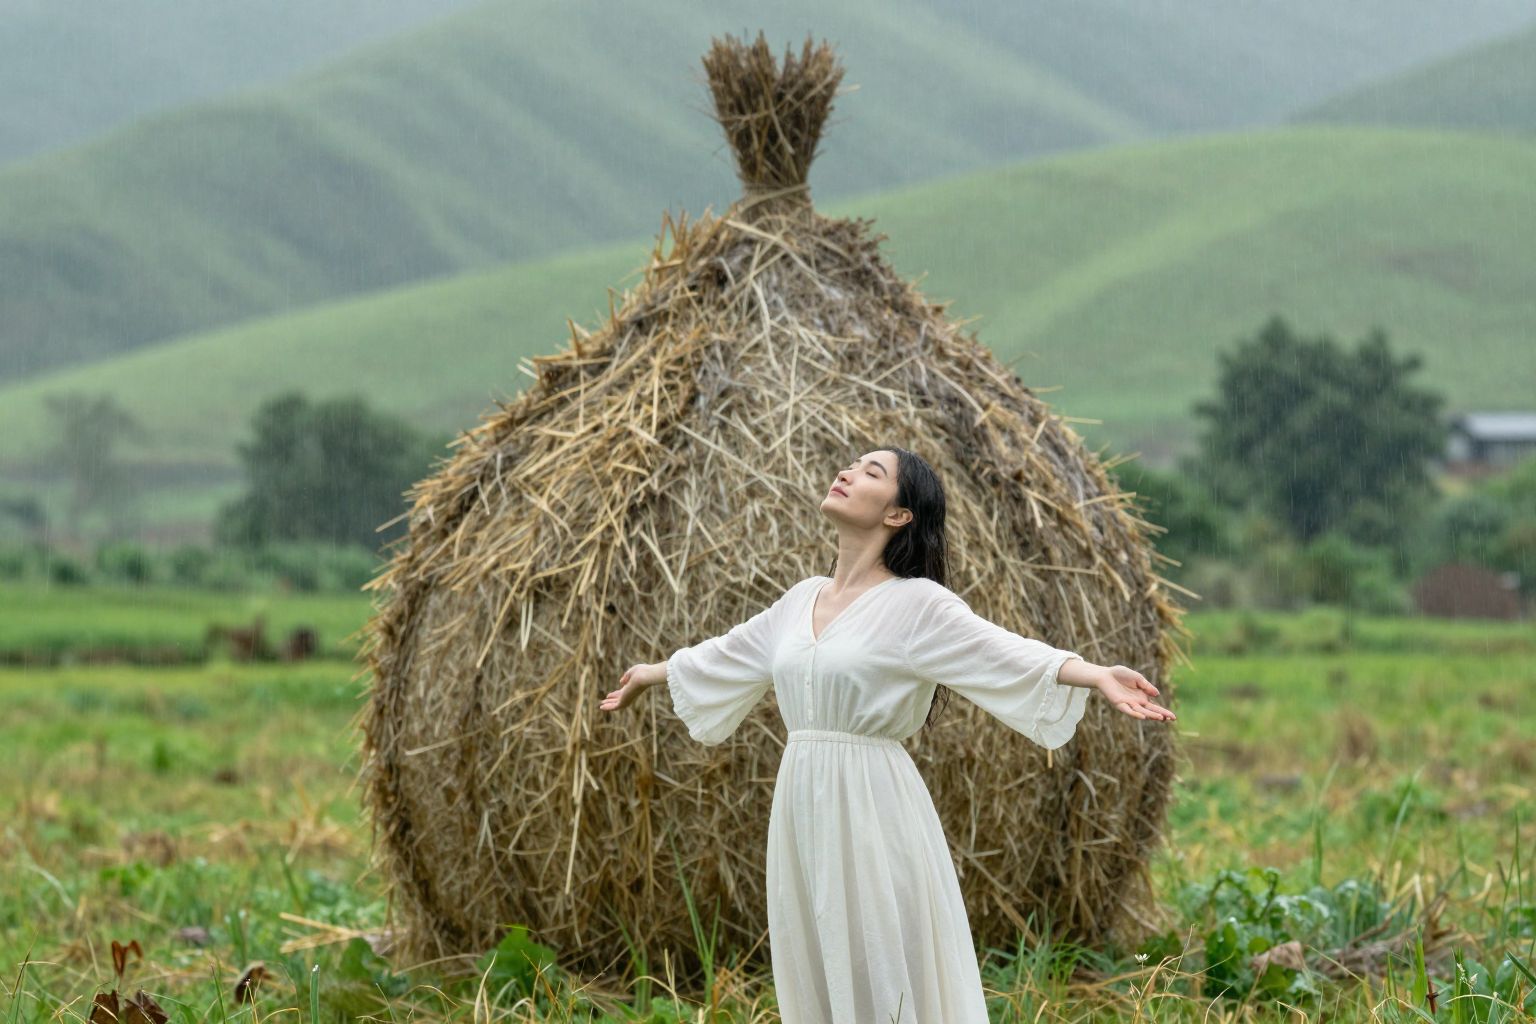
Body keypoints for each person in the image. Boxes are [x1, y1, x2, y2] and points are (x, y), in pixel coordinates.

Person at [599, 445, 1174, 1023]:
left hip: (874, 802)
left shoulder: (917, 604)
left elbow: (1002, 653)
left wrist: (1096, 674)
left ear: (899, 514)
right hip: (801, 801)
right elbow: (731, 654)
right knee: (817, 953)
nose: (845, 470)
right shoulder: (802, 599)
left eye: (871, 472)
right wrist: (652, 674)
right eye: (848, 463)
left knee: (883, 958)